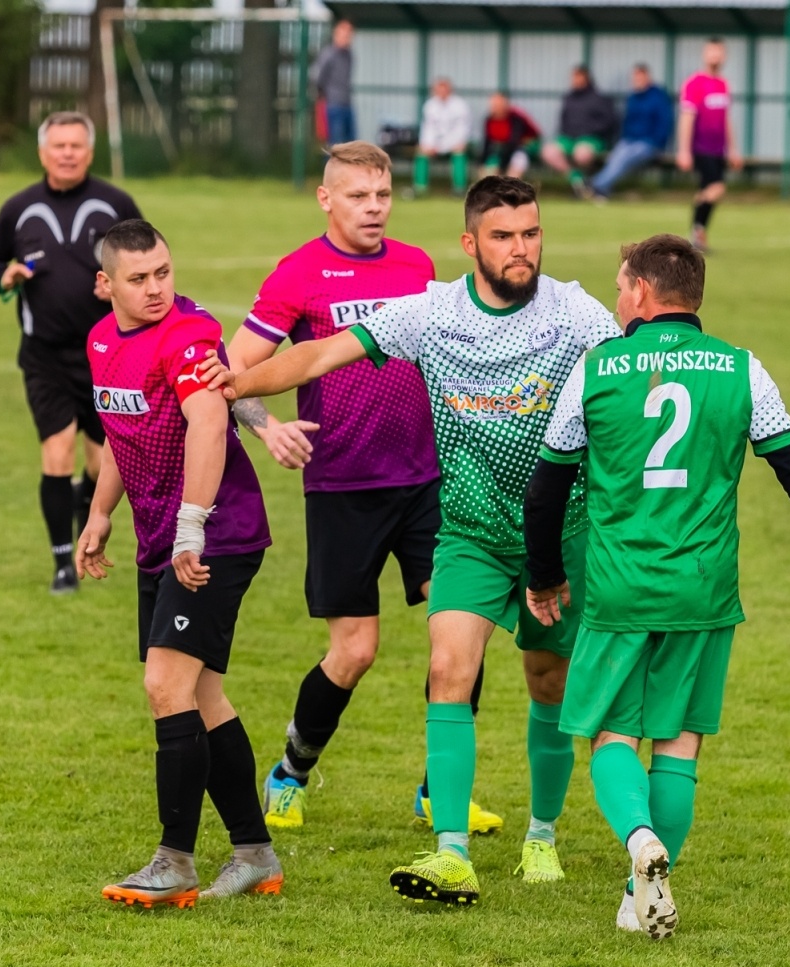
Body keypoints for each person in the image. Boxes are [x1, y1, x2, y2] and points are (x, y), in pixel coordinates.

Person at [199, 177, 625, 904]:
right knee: (449, 664)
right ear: (470, 244)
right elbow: (318, 355)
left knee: (548, 682)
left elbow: (631, 379)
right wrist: (239, 386)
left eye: (530, 233)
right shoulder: (431, 312)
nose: (520, 249)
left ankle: (542, 834)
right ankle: (451, 851)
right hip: (469, 533)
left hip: (559, 535)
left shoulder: (576, 311)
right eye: (503, 236)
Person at [522, 234, 790, 939]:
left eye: (621, 287)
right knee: (680, 741)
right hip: (703, 588)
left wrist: (543, 576)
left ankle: (638, 840)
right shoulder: (743, 369)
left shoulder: (596, 368)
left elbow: (547, 488)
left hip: (622, 588)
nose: (618, 299)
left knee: (612, 736)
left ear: (643, 292)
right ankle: (637, 898)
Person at [226, 141, 501, 836]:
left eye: (382, 194)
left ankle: (441, 790)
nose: (374, 207)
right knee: (355, 651)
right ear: (326, 199)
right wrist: (267, 427)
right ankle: (291, 770)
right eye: (358, 196)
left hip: (429, 481)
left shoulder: (417, 266)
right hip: (343, 486)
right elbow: (233, 370)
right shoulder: (298, 273)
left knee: (461, 633)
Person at [78, 220, 281, 908]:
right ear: (106, 284)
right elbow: (122, 429)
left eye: (163, 272)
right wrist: (100, 512)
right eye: (138, 278)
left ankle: (175, 862)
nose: (156, 288)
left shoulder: (188, 335)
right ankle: (254, 853)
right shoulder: (101, 341)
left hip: (214, 535)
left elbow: (210, 422)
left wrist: (191, 528)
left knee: (165, 683)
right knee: (200, 694)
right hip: (163, 539)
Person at [0, 111, 142, 594]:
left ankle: (84, 520)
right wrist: (3, 276)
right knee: (57, 450)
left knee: (102, 463)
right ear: (43, 153)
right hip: (44, 356)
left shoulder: (115, 204)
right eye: (59, 146)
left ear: (90, 152)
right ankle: (63, 564)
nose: (67, 154)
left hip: (108, 356)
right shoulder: (20, 208)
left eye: (76, 146)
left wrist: (123, 287)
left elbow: (148, 261)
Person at [676, 39, 743, 252]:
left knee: (707, 191)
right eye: (711, 51)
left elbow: (726, 119)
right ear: (704, 54)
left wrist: (733, 149)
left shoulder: (724, 84)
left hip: (718, 149)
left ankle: (698, 234)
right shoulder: (694, 83)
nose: (715, 56)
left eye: (719, 52)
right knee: (717, 188)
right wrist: (684, 150)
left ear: (724, 56)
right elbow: (686, 118)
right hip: (701, 147)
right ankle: (697, 231)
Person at [588, 63, 673, 200]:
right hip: (629, 141)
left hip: (649, 144)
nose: (637, 81)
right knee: (617, 157)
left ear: (647, 77)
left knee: (624, 157)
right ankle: (601, 188)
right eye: (635, 78)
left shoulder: (658, 97)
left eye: (640, 78)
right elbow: (627, 122)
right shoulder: (633, 97)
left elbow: (665, 122)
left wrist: (657, 142)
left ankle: (594, 184)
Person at [540, 65, 621, 198]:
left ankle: (587, 186)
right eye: (573, 77)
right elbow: (563, 121)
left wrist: (589, 130)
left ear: (586, 78)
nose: (574, 80)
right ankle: (577, 179)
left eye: (578, 77)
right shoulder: (569, 98)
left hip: (591, 139)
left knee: (581, 153)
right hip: (569, 139)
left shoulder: (599, 99)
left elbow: (609, 122)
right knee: (548, 151)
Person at [414, 77, 472, 196]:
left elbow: (462, 129)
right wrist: (428, 144)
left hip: (454, 143)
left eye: (444, 90)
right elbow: (428, 128)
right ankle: (420, 188)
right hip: (435, 144)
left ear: (449, 90)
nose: (441, 93)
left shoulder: (460, 105)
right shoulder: (429, 105)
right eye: (438, 90)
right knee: (421, 151)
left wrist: (448, 145)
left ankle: (459, 188)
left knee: (459, 151)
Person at [311, 20, 356, 147]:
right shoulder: (328, 54)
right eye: (344, 34)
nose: (347, 38)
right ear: (336, 34)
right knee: (335, 145)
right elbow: (316, 77)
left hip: (347, 103)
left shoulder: (349, 55)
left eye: (349, 35)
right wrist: (325, 96)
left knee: (351, 145)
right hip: (332, 105)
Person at [480, 93, 542, 179]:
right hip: (502, 150)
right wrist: (483, 163)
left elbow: (514, 142)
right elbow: (487, 142)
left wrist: (501, 162)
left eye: (497, 104)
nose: (494, 107)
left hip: (522, 149)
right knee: (489, 171)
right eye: (493, 105)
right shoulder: (489, 120)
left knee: (518, 161)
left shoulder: (516, 117)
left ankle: (511, 183)